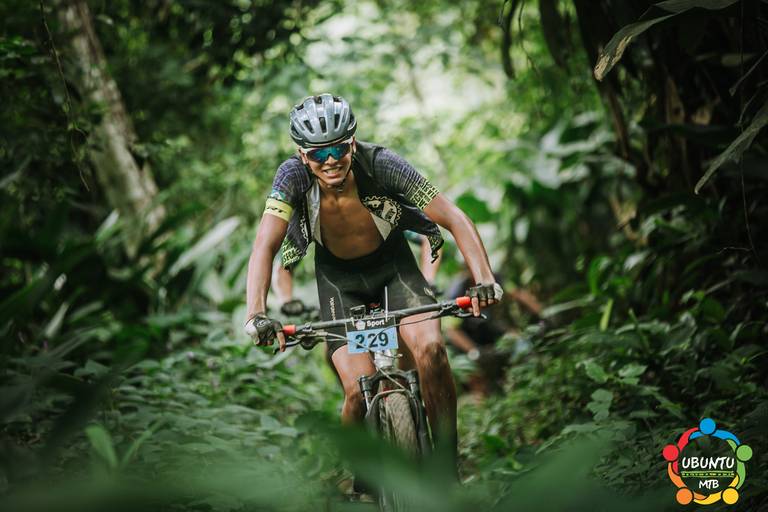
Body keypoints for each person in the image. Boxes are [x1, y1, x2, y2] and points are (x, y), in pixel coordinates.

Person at [244, 93, 501, 464]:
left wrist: (484, 279)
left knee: (431, 351)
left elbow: (454, 217)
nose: (330, 161)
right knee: (355, 390)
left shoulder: (381, 163)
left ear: (352, 142)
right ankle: (361, 475)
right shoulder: (292, 177)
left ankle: (446, 463)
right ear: (302, 155)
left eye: (338, 149)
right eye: (318, 154)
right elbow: (264, 246)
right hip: (339, 284)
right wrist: (256, 312)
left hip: (394, 270)